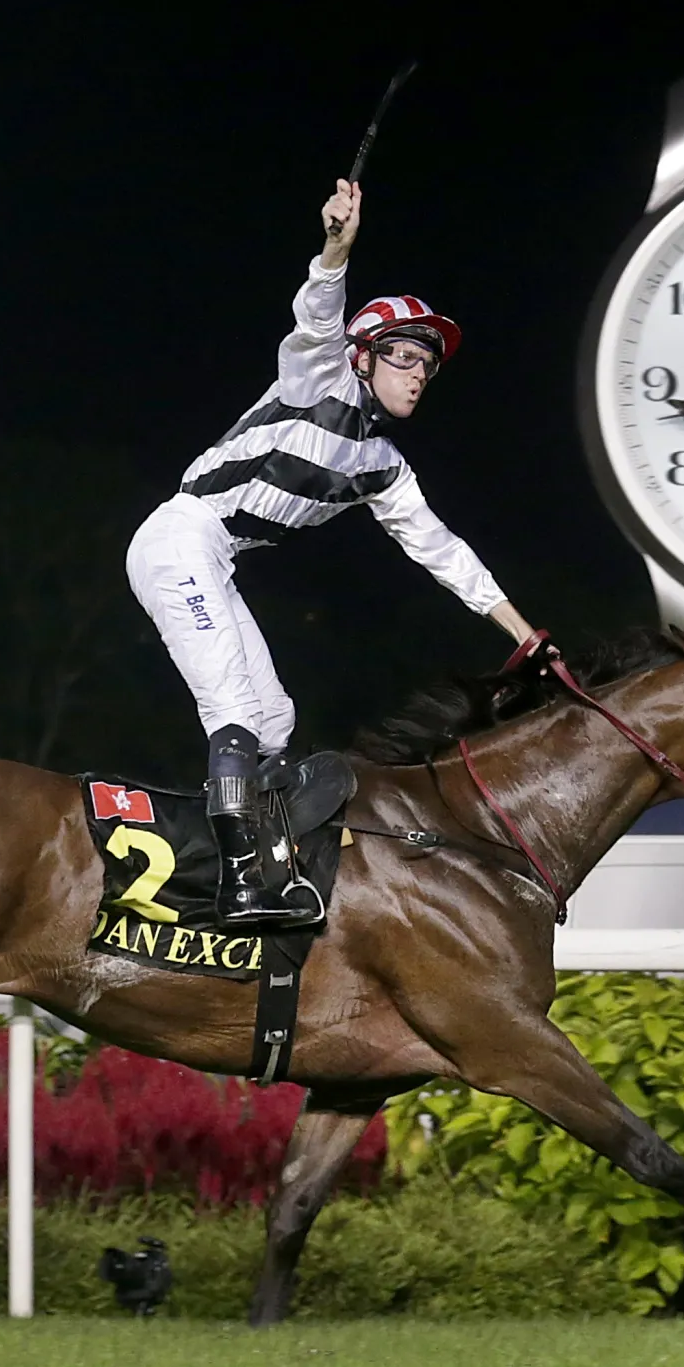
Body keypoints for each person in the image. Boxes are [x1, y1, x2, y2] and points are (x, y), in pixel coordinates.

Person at [126, 178, 537, 928]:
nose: (420, 371)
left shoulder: (382, 464)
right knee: (235, 708)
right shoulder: (315, 374)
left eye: (428, 365)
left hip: (215, 559)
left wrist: (522, 630)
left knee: (276, 721)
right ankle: (235, 882)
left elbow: (441, 549)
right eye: (406, 356)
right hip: (177, 538)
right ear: (364, 358)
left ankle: (279, 859)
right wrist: (338, 244)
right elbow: (316, 314)